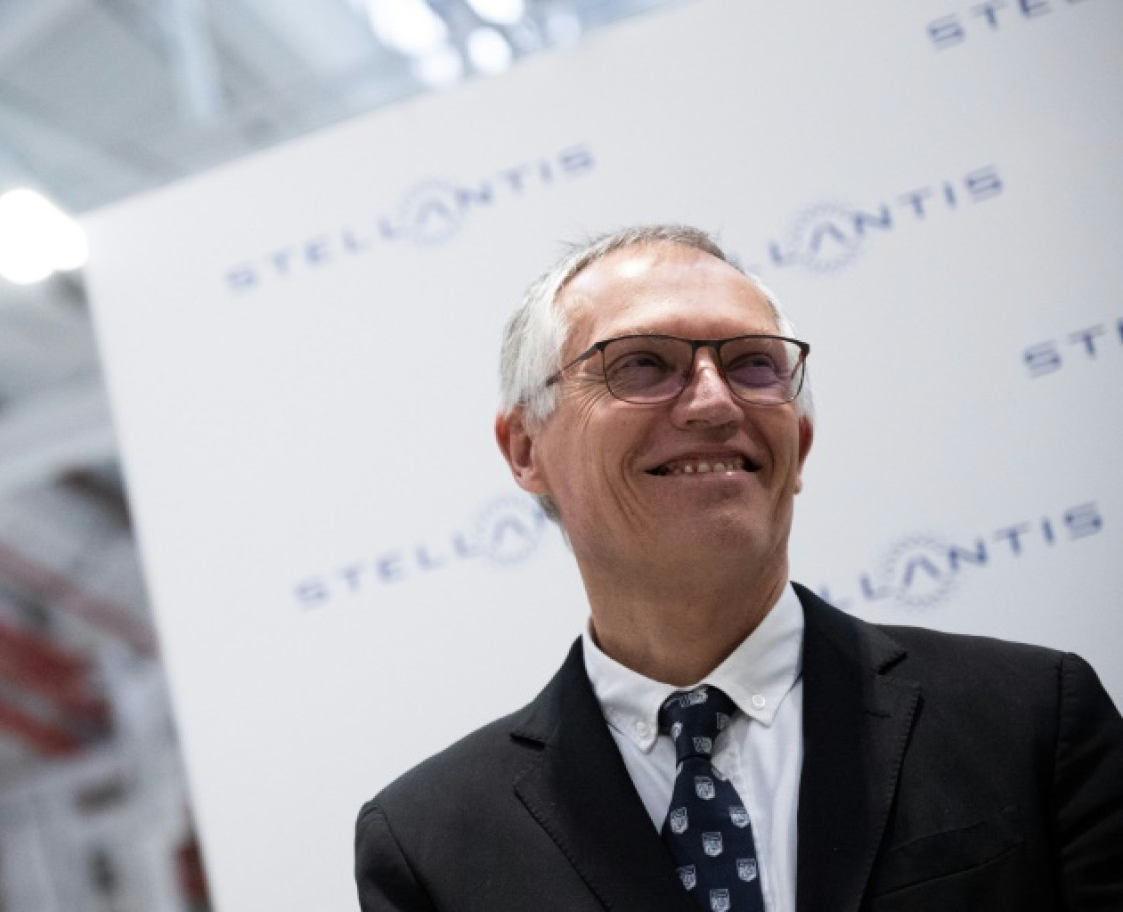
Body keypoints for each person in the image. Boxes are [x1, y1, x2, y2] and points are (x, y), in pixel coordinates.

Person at [353, 224, 1123, 912]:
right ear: (526, 449)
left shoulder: (1032, 720)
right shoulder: (430, 846)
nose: (715, 404)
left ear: (800, 443)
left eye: (754, 364)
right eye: (643, 364)